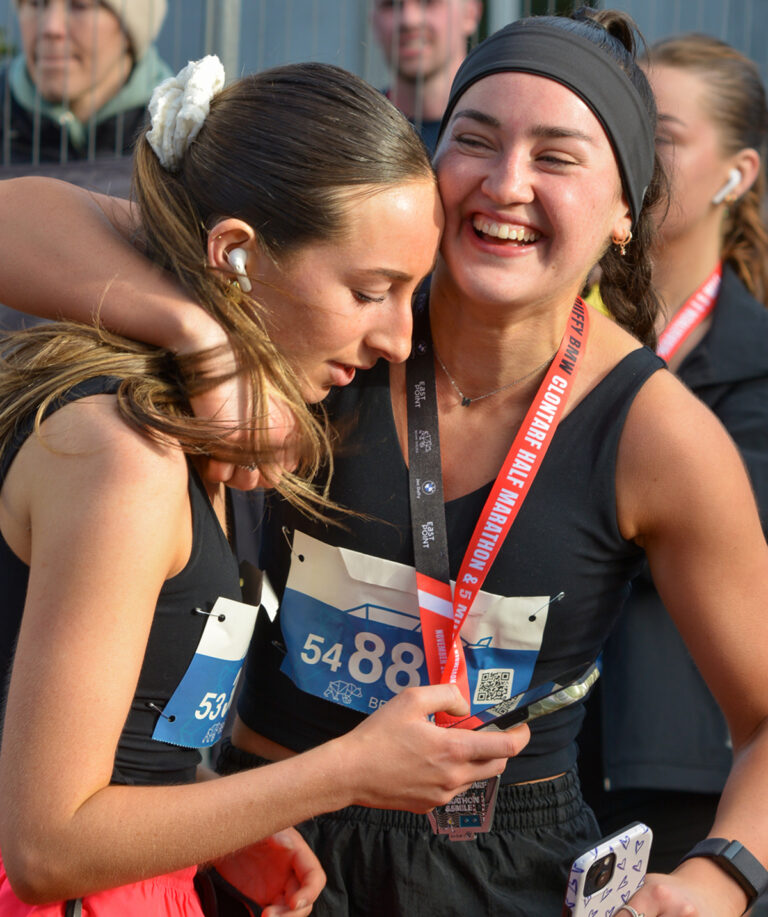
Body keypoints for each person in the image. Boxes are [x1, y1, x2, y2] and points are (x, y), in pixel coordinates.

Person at [3, 10, 768, 916]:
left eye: (556, 158)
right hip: (253, 846)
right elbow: (47, 217)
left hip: (498, 876)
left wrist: (723, 875)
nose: (506, 182)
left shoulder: (653, 432)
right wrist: (206, 342)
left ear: (623, 215)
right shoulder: (325, 319)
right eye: (474, 139)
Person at [0, 55, 528, 917]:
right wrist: (343, 771)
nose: (399, 337)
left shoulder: (182, 432)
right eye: (371, 291)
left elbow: (123, 755)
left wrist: (214, 819)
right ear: (236, 253)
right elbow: (47, 844)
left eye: (410, 294)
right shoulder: (125, 460)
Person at [578, 32, 768, 877]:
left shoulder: (757, 360)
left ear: (737, 175)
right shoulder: (549, 321)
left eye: (663, 136)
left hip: (688, 782)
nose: (635, 154)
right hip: (521, 763)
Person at [0, 0, 172, 164]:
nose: (51, 27)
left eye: (80, 5)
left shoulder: (179, 132)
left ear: (130, 32)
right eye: (36, 3)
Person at [372, 0, 482, 153]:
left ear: (470, 13)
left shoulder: (503, 128)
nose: (409, 20)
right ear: (373, 21)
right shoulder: (354, 128)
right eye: (390, 4)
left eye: (428, 2)